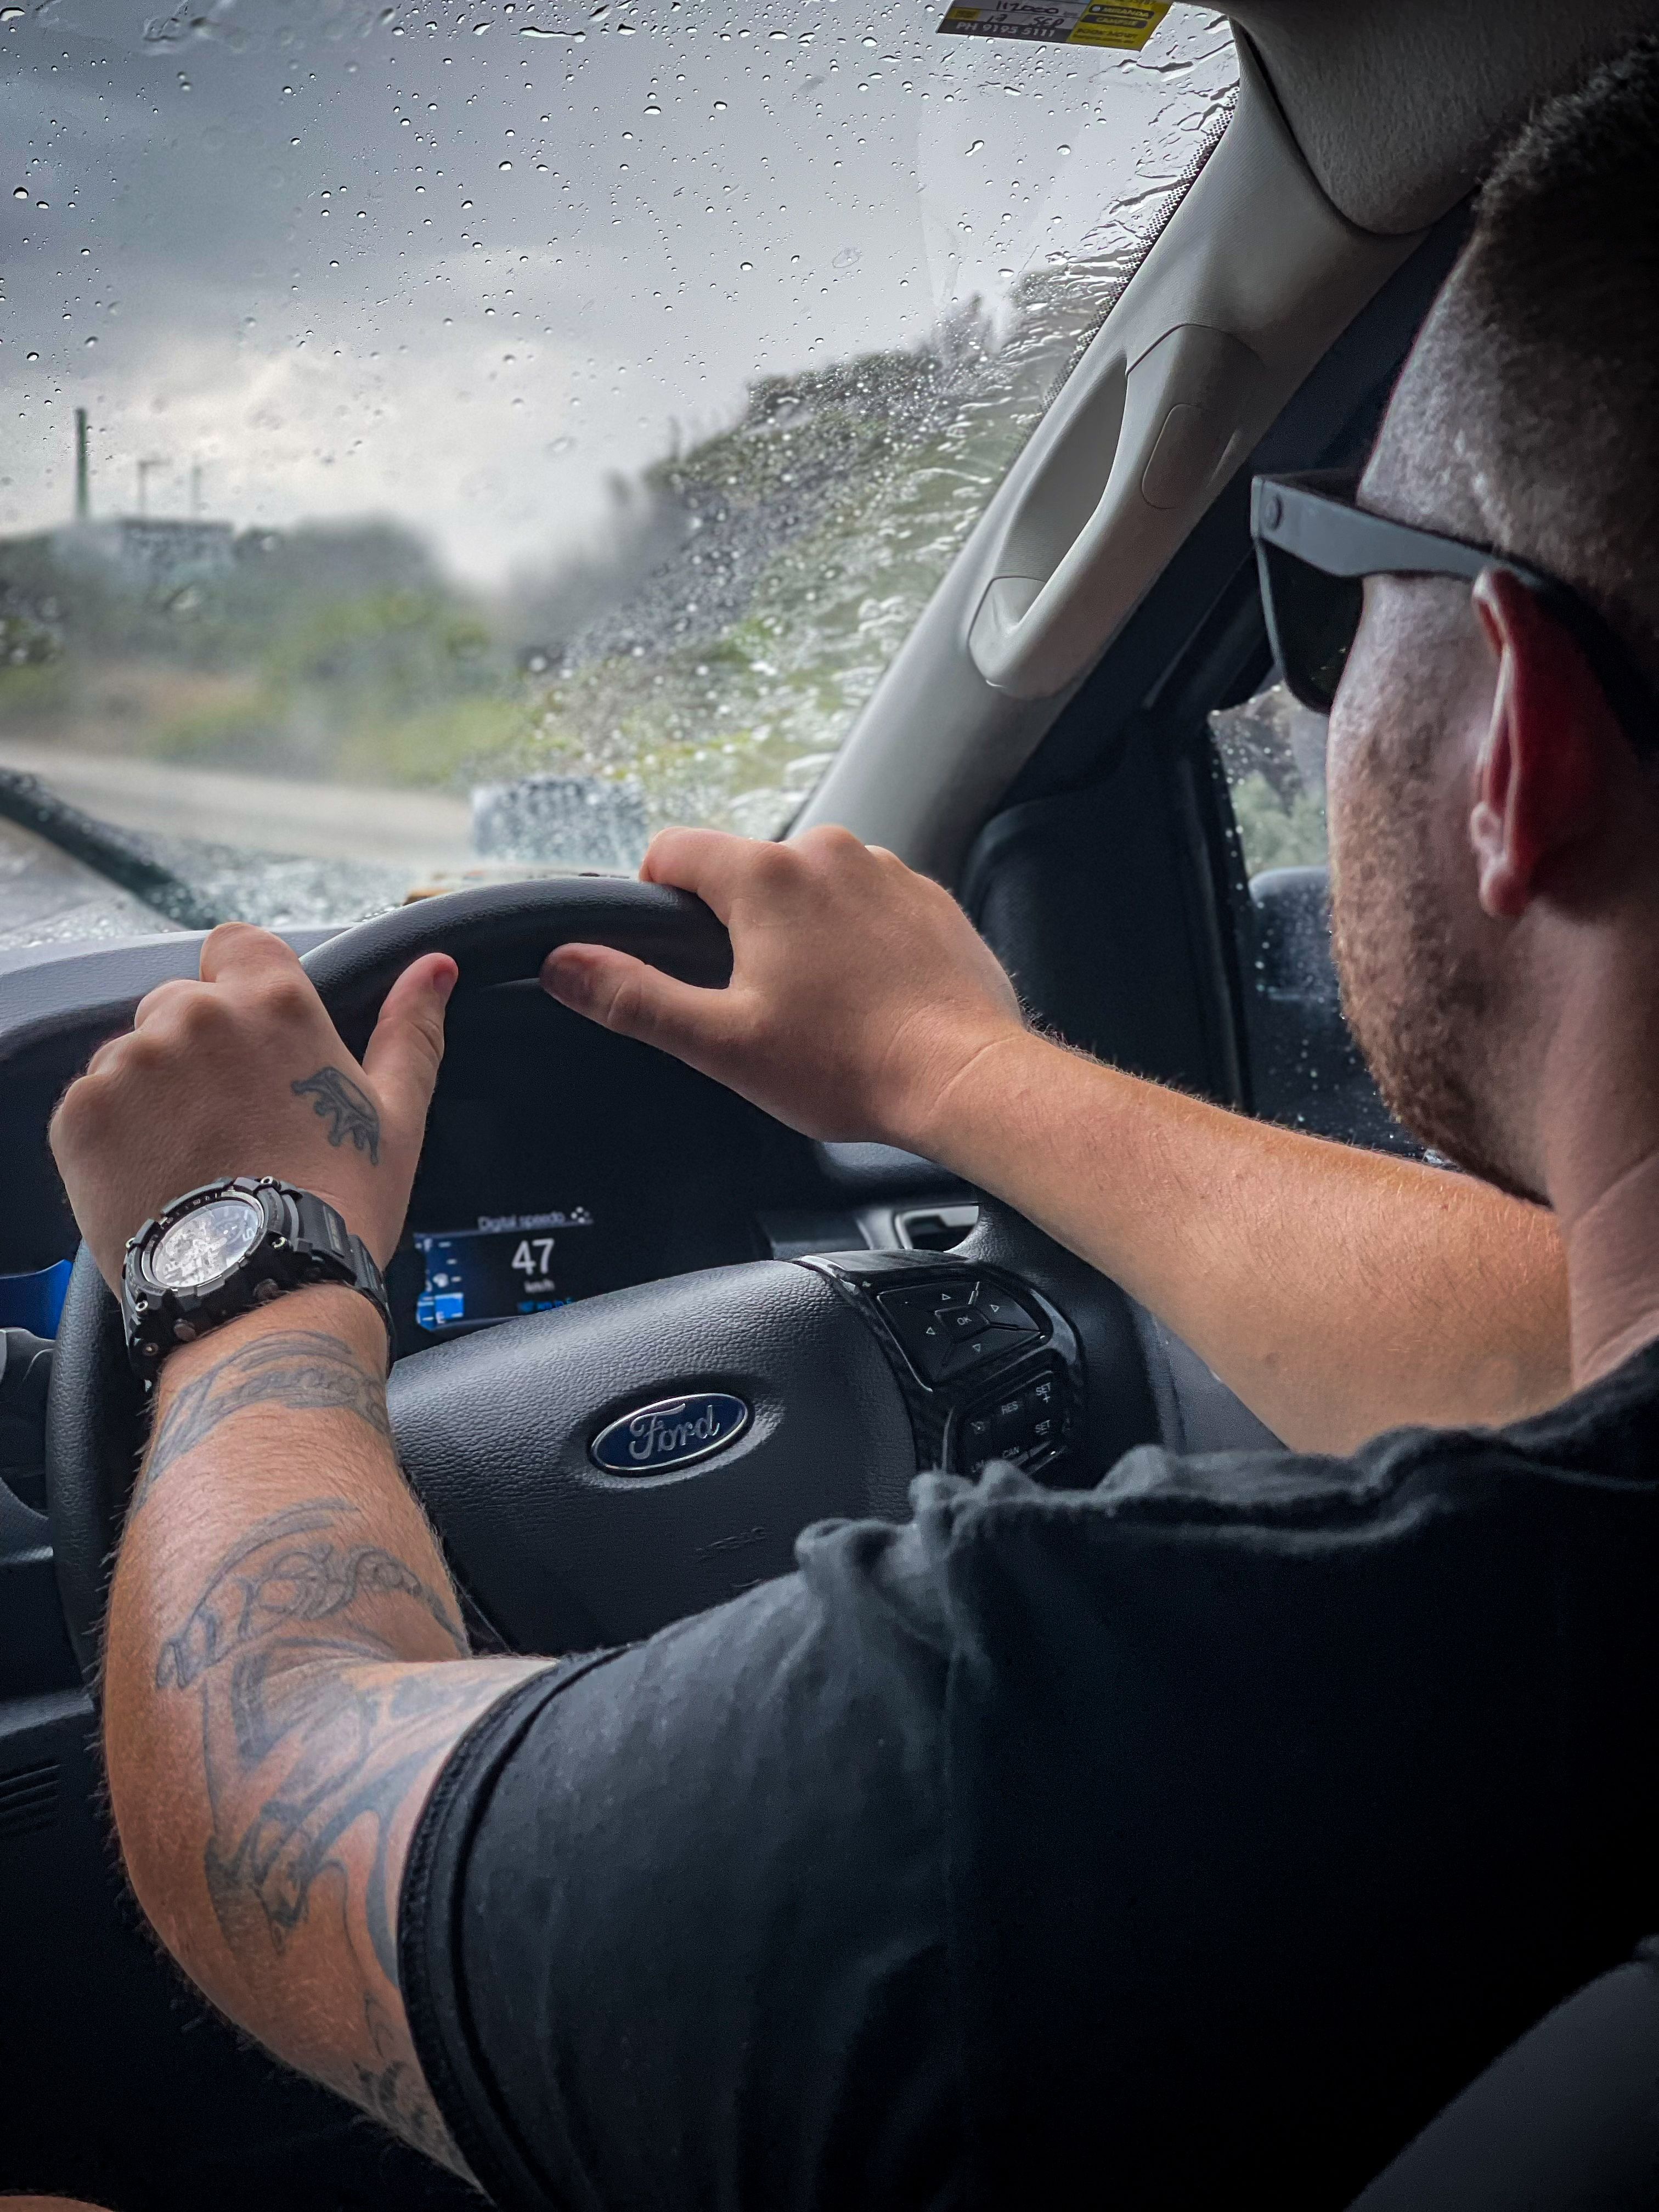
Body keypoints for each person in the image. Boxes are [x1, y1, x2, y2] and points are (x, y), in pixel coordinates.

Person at [48, 37, 1659, 2209]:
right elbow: (1573, 1360)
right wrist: (947, 1069)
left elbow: (269, 1802)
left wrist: (247, 1271)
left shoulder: (1036, 1768)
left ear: (1515, 742)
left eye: (1324, 585)